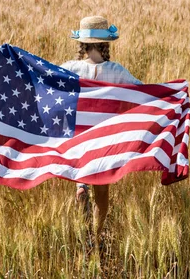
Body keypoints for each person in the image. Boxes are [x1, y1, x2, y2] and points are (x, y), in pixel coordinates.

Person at [61, 16, 142, 240]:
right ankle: (94, 238)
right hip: (107, 139)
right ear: (106, 44)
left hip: (79, 135)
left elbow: (46, 82)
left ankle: (80, 187)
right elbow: (143, 91)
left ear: (83, 44)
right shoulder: (117, 71)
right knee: (103, 191)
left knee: (82, 172)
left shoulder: (69, 68)